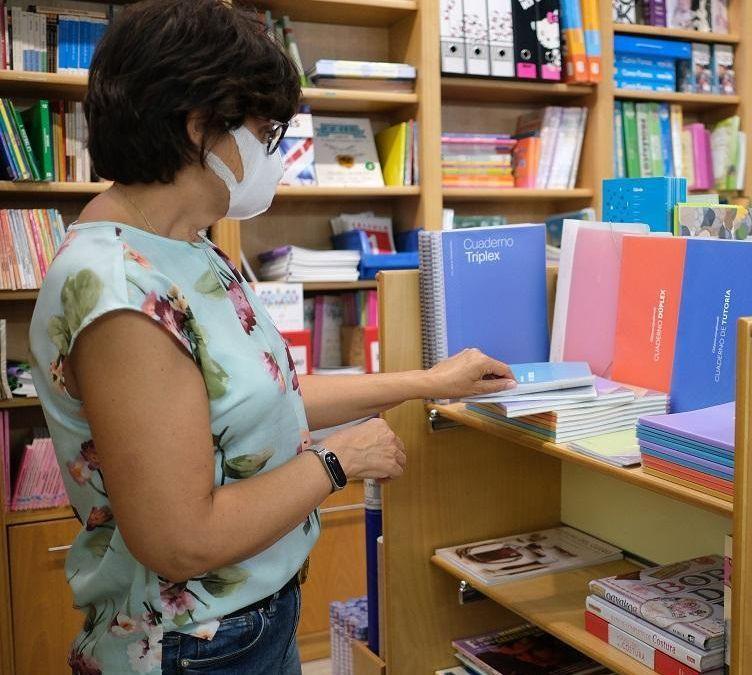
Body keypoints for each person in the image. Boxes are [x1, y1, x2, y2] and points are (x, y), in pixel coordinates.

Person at [29, 2, 516, 673]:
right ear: (198, 126)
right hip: (195, 642)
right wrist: (338, 460)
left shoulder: (185, 244)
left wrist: (427, 382)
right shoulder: (119, 290)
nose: (277, 153)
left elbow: (258, 396)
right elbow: (180, 539)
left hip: (251, 616)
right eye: (266, 132)